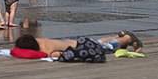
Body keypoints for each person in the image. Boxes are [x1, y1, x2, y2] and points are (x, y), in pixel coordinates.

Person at [14, 31, 143, 59]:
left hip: (81, 47)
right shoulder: (39, 40)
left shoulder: (45, 49)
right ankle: (118, 36)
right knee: (98, 42)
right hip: (78, 41)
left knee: (105, 48)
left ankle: (126, 38)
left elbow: (55, 55)